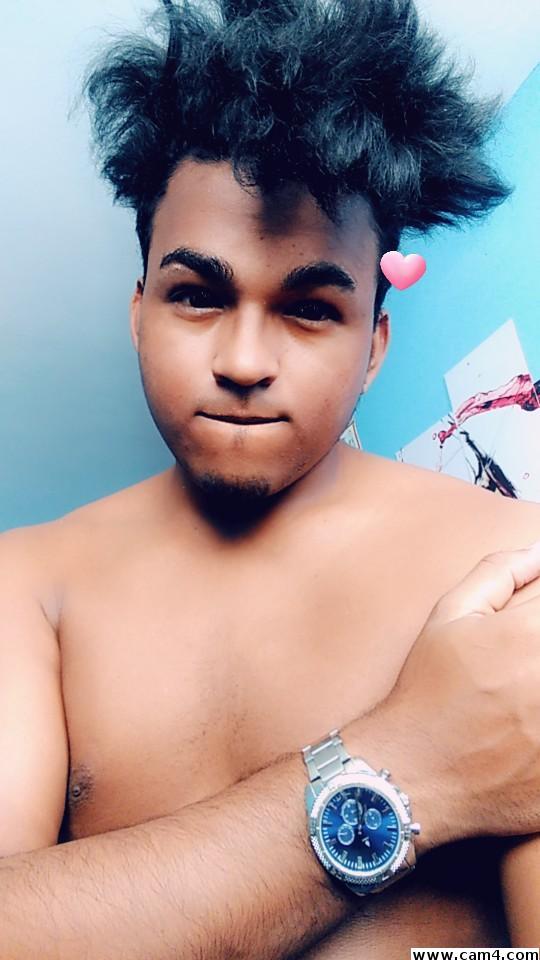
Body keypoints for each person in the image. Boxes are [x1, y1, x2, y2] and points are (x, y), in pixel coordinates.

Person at [1, 0, 539, 954]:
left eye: (310, 309)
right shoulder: (27, 585)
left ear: (375, 347)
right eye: (197, 296)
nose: (244, 360)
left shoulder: (514, 571)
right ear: (138, 313)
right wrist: (412, 760)